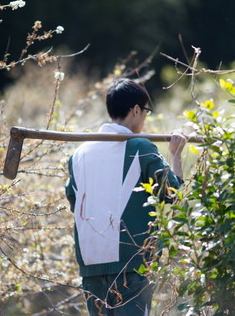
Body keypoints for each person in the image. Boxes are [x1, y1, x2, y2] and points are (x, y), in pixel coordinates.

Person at [65, 78, 187, 315]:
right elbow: (172, 194)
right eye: (145, 112)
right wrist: (176, 155)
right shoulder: (141, 147)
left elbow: (74, 201)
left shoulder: (78, 155)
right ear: (136, 110)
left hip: (91, 264)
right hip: (131, 264)